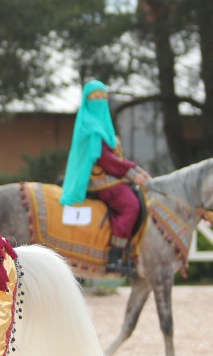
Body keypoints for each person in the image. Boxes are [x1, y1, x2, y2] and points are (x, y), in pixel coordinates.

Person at [60, 81, 151, 275]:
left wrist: (138, 171)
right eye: (95, 97)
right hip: (99, 180)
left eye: (103, 97)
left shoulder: (104, 125)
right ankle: (114, 256)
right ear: (87, 100)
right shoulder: (90, 125)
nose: (100, 101)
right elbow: (105, 159)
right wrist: (134, 174)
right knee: (130, 205)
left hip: (111, 176)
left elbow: (117, 157)